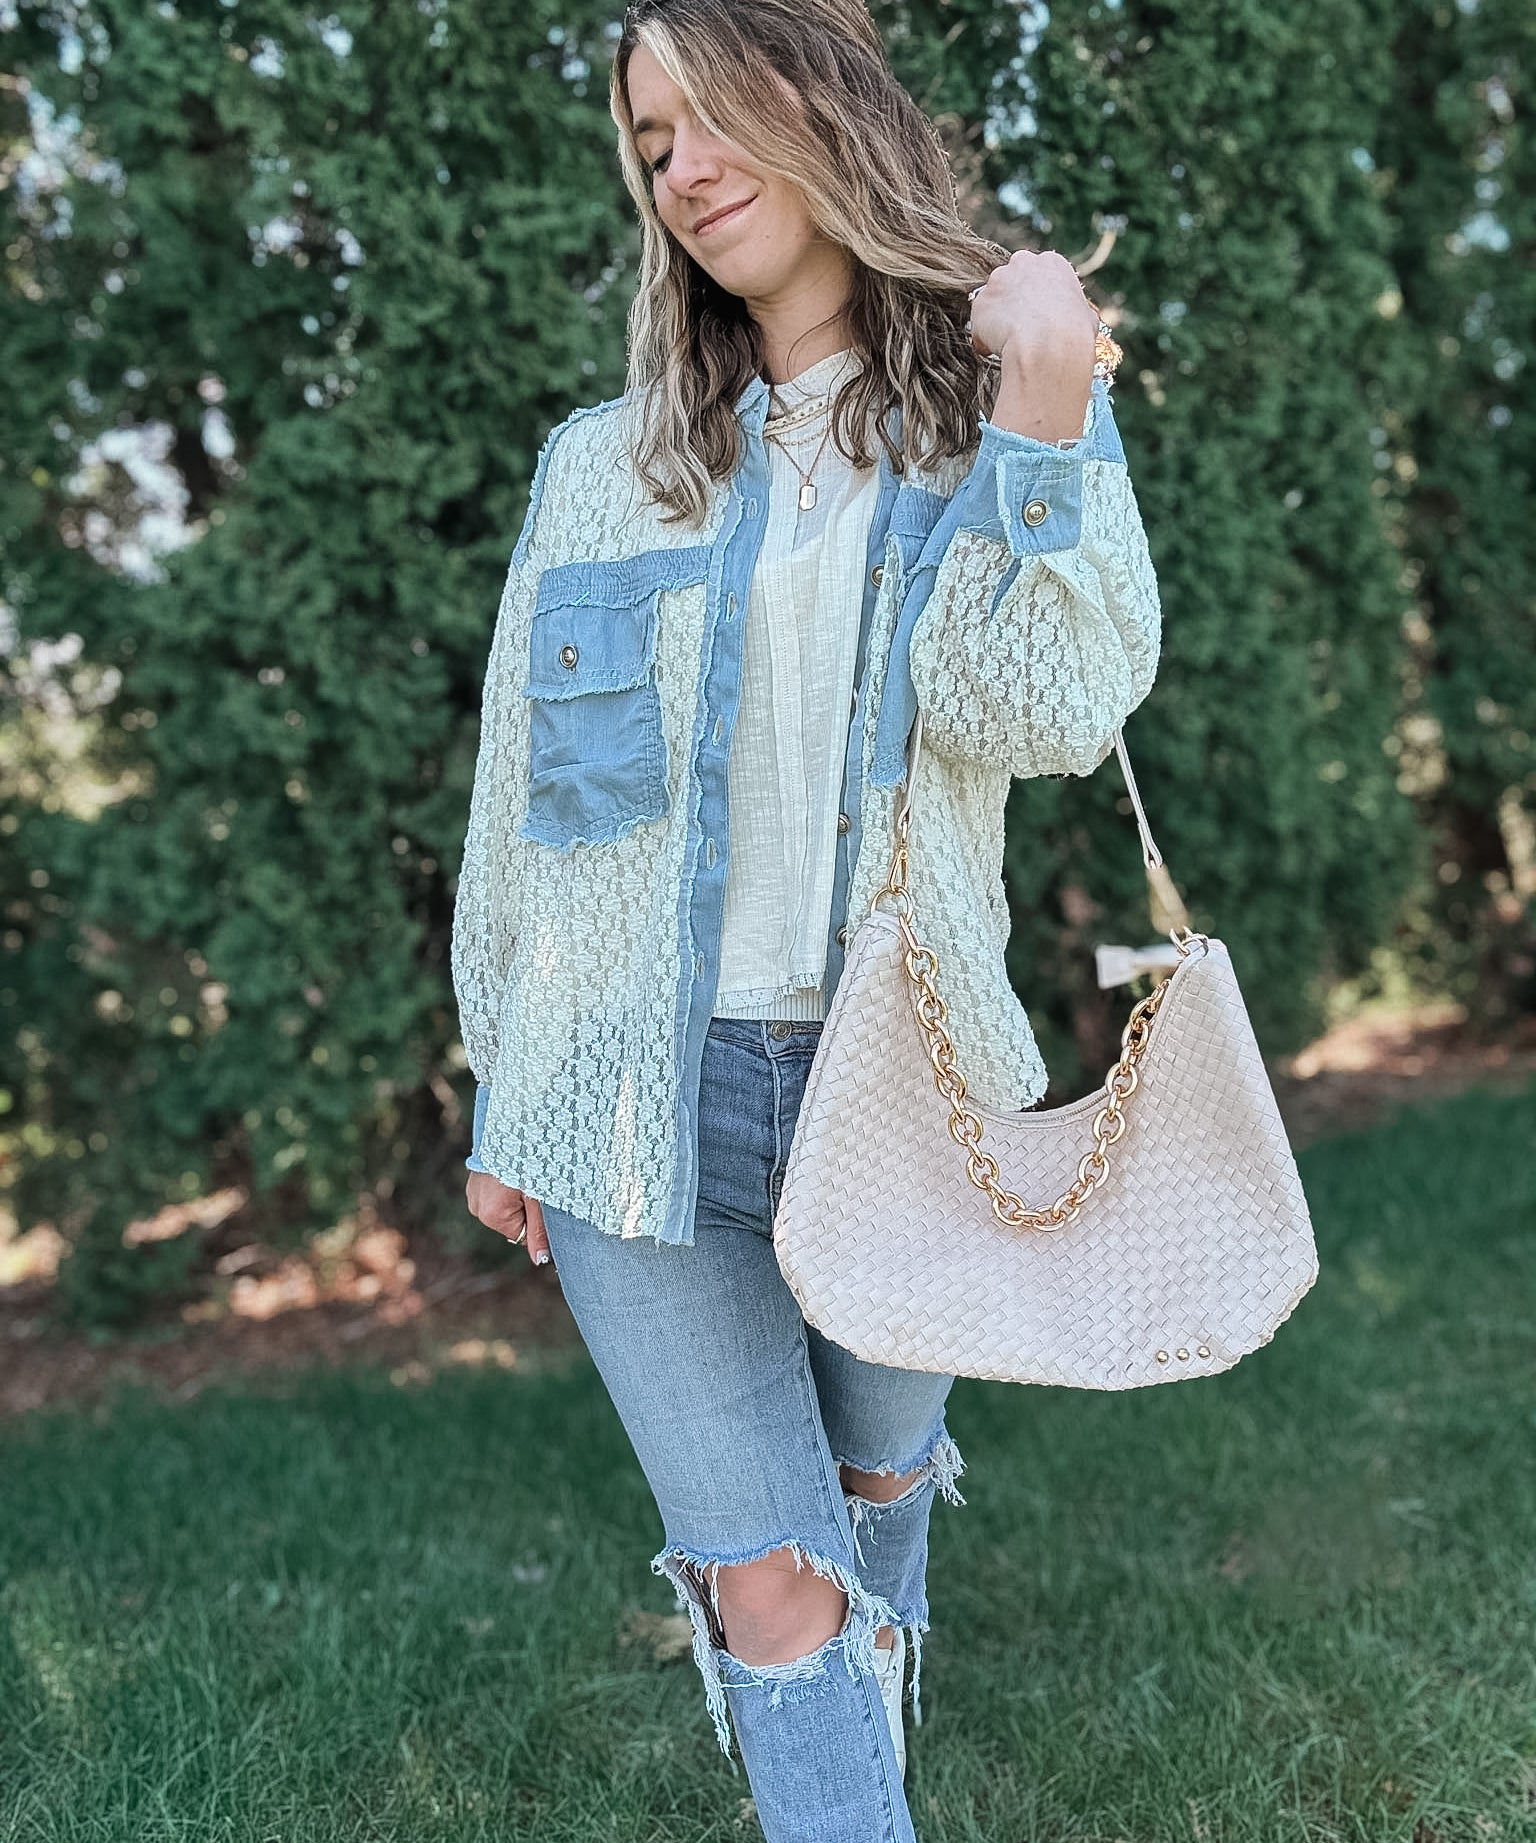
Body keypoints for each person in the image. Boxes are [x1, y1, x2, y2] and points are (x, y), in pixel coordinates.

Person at [449, 1, 1162, 1836]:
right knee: (769, 1577)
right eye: (650, 139)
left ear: (820, 107)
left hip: (902, 1090)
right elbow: (524, 809)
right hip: (633, 1096)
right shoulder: (600, 467)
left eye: (707, 118)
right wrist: (503, 1070)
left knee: (874, 1499)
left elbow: (1047, 714)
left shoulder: (996, 421)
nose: (679, 168)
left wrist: (1048, 412)